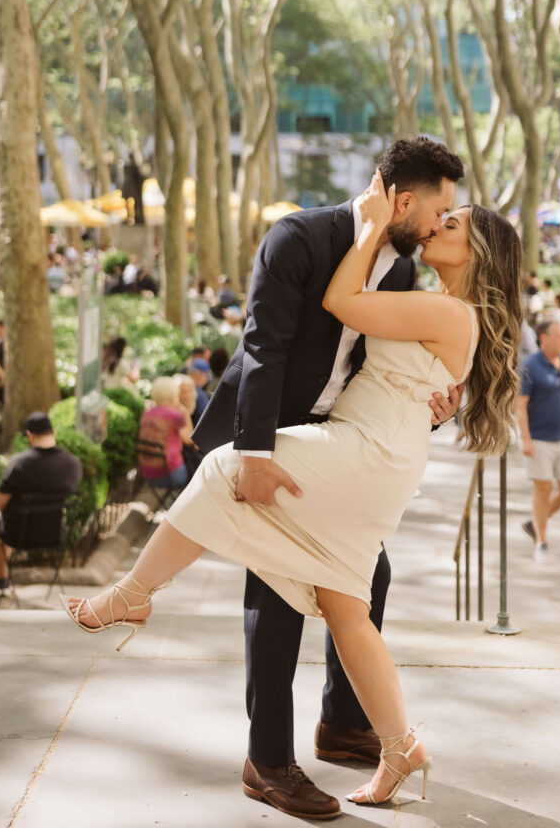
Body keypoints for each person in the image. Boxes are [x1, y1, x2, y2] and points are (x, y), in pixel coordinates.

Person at [60, 172, 522, 813]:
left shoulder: (440, 305)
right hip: (380, 450)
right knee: (344, 604)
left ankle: (132, 596)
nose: (439, 224)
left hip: (366, 448)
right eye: (442, 212)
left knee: (227, 471)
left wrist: (365, 232)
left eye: (453, 224)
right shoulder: (423, 293)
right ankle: (399, 746)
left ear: (477, 255)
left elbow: (342, 304)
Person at [186, 135, 465, 816]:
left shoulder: (399, 270)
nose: (439, 225)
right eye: (437, 211)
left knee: (370, 575)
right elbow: (261, 350)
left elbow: (386, 372)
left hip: (335, 443)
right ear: (401, 200)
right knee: (277, 594)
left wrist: (437, 403)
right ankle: (268, 761)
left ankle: (342, 724)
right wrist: (253, 458)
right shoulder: (299, 238)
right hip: (271, 438)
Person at [0, 411, 81, 592]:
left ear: (29, 435)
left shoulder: (19, 463)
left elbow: (0, 504)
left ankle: (3, 581)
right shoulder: (72, 463)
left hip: (19, 535)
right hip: (55, 533)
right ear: (53, 432)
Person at [518, 320, 560, 561]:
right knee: (543, 488)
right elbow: (520, 404)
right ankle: (541, 540)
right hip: (539, 438)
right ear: (543, 338)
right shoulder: (530, 365)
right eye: (559, 336)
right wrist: (525, 438)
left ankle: (535, 522)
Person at [138, 378, 193, 494]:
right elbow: (189, 440)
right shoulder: (175, 415)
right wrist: (186, 413)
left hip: (149, 474)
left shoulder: (147, 414)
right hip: (171, 475)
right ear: (174, 394)